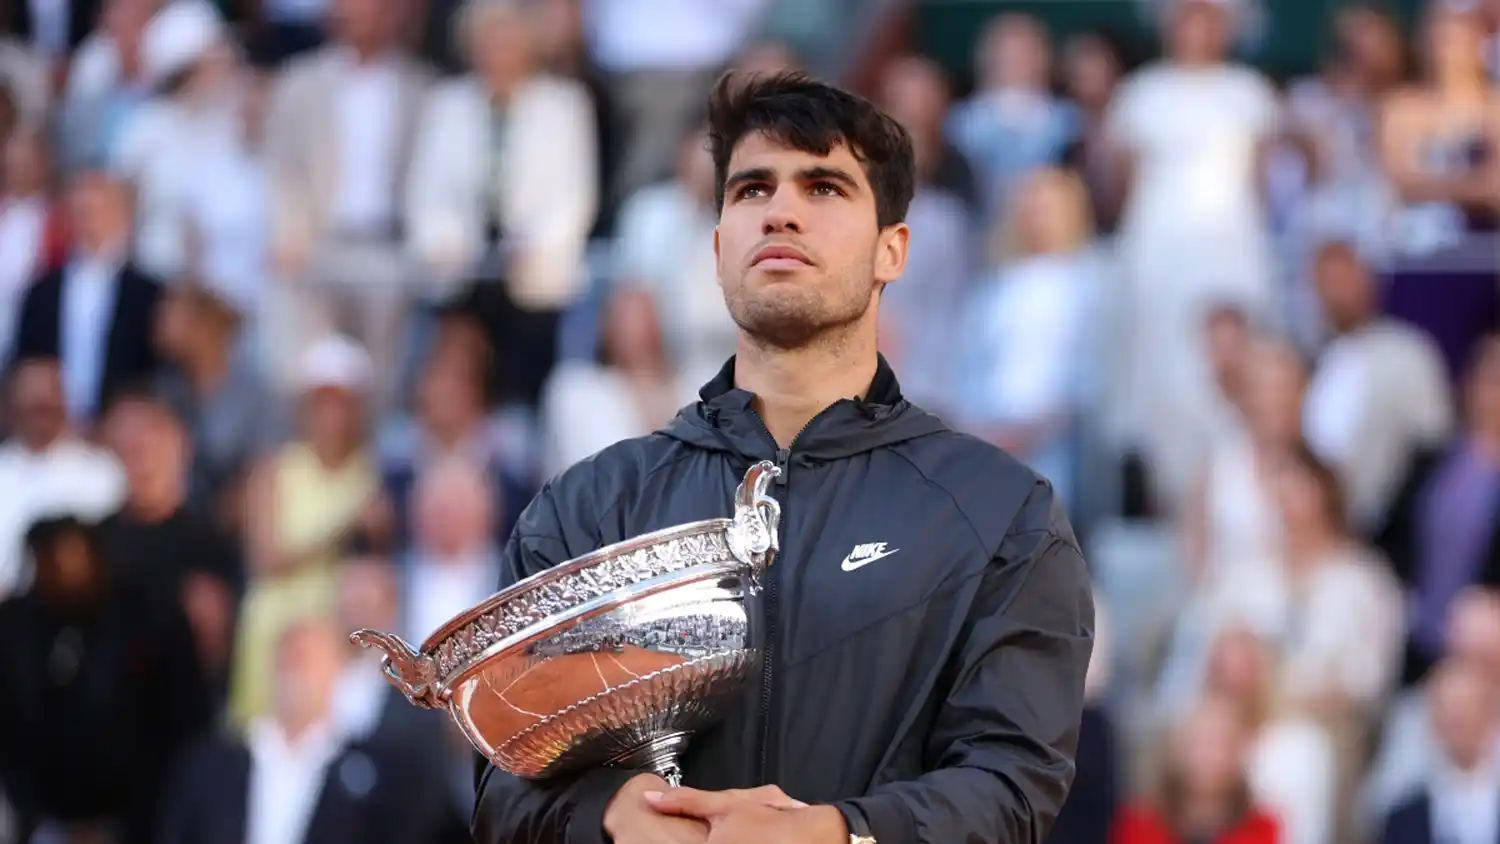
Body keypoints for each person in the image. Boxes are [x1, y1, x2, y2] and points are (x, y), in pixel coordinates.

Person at [471, 70, 1095, 844]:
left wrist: (838, 834)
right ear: (718, 244)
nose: (782, 212)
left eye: (825, 188)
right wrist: (607, 815)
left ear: (891, 250)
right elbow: (506, 782)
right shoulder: (589, 506)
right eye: (752, 190)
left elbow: (1012, 787)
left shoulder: (1000, 513)